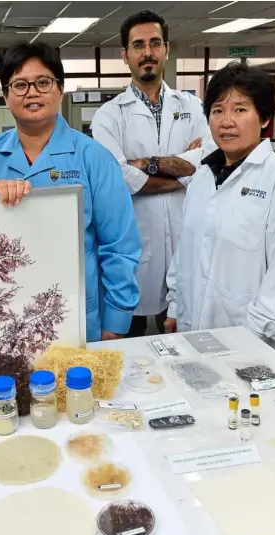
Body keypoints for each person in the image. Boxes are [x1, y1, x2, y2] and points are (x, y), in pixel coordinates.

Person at [0, 41, 141, 343]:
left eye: (43, 82)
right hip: (2, 317)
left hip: (80, 317)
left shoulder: (93, 158)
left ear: (60, 90)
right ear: (6, 96)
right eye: (19, 85)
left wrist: (116, 321)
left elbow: (119, 246)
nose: (32, 92)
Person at [165, 62, 275, 356]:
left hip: (252, 345)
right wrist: (174, 305)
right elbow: (186, 250)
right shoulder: (203, 177)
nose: (226, 121)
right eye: (218, 110)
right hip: (190, 331)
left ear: (264, 118)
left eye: (240, 109)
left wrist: (252, 339)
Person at [91, 10, 215, 337]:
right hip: (131, 250)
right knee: (126, 346)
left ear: (166, 49)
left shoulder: (193, 107)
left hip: (183, 242)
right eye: (138, 45)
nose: (147, 52)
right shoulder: (108, 116)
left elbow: (207, 163)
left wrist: (146, 164)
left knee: (180, 345)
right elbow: (117, 177)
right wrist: (180, 167)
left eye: (154, 43)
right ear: (125, 55)